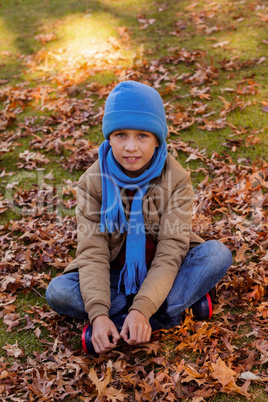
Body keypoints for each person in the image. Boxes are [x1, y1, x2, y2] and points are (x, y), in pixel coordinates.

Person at [46, 80, 232, 354]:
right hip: (115, 274)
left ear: (158, 138)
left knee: (217, 254)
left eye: (142, 135)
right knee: (59, 292)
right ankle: (174, 309)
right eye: (121, 134)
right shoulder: (92, 182)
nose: (131, 147)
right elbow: (93, 253)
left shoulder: (177, 179)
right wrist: (98, 314)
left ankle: (132, 318)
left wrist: (142, 309)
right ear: (108, 137)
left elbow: (171, 252)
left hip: (165, 267)